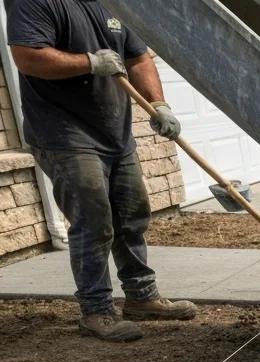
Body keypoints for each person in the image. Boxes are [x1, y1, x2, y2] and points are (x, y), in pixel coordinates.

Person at [8, 0, 197, 342]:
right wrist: (89, 62)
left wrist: (158, 104)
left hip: (115, 132)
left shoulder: (113, 4)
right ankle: (96, 310)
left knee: (131, 214)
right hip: (64, 134)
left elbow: (138, 58)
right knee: (94, 220)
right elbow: (27, 56)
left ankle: (141, 296)